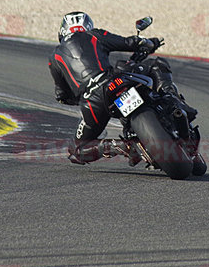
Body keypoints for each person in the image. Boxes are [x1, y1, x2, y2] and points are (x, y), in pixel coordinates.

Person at [48, 11, 196, 165]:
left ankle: (117, 146)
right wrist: (149, 43)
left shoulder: (54, 57)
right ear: (87, 26)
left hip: (92, 103)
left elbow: (61, 94)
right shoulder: (94, 35)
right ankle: (174, 101)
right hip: (113, 82)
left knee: (77, 150)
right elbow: (129, 42)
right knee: (157, 65)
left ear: (62, 30)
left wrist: (77, 98)